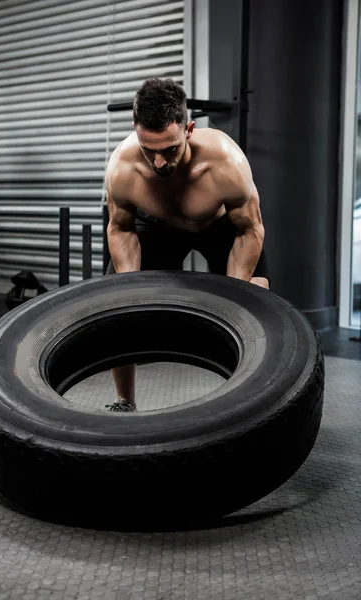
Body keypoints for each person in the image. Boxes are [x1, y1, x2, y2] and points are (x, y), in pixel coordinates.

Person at [104, 77, 270, 412]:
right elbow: (120, 228)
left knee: (258, 295)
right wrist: (128, 286)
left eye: (169, 149)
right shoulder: (123, 169)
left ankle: (247, 401)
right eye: (149, 151)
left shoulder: (226, 165)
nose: (159, 162)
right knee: (114, 304)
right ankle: (125, 401)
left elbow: (250, 229)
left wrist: (234, 300)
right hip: (159, 226)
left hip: (220, 226)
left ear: (189, 129)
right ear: (135, 129)